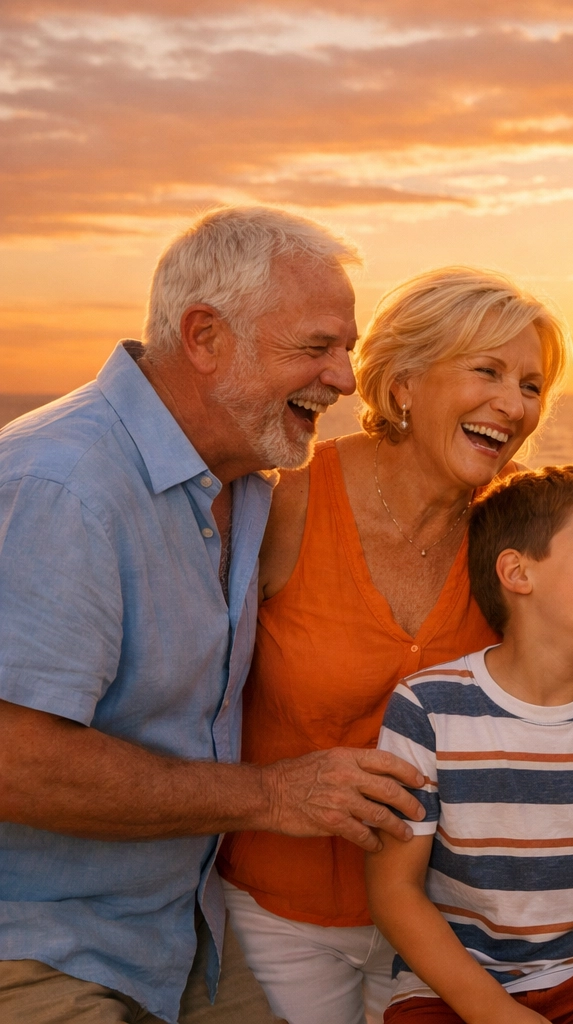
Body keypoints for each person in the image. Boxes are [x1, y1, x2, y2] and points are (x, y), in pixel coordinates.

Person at [0, 207, 431, 1023]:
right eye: (316, 347)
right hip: (38, 950)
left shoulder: (245, 480)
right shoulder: (63, 486)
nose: (344, 378)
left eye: (347, 349)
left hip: (178, 937)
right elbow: (12, 759)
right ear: (204, 338)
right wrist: (272, 798)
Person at [217, 266, 573, 1024]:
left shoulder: (520, 533)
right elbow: (186, 683)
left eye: (531, 386)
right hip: (280, 919)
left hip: (461, 941)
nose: (514, 405)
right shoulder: (287, 499)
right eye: (487, 371)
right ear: (405, 380)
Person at [366, 465, 573, 1024]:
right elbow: (394, 891)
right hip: (455, 988)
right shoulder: (426, 709)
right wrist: (495, 1012)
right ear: (517, 573)